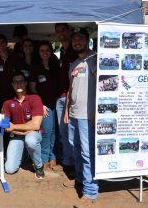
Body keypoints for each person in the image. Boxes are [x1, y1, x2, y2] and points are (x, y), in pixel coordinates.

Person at [63, 28, 98, 208]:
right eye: (74, 39)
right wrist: (67, 110)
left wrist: (96, 113)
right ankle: (79, 180)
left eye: (80, 38)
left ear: (87, 40)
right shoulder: (74, 63)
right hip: (75, 114)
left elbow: (103, 88)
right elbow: (70, 88)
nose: (77, 41)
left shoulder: (95, 60)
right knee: (76, 150)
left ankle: (90, 191)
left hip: (88, 116)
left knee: (87, 153)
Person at [2, 72, 45, 179]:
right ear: (12, 85)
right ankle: (25, 153)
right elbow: (6, 126)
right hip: (17, 136)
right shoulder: (7, 102)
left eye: (21, 81)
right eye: (15, 82)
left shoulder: (35, 98)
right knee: (9, 169)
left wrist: (14, 127)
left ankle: (39, 166)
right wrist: (22, 130)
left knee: (30, 140)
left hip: (33, 134)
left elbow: (35, 125)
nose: (18, 84)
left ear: (26, 83)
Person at [29, 40, 61, 171]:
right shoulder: (36, 68)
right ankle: (44, 159)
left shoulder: (56, 65)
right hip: (44, 105)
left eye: (47, 50)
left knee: (55, 132)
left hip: (56, 103)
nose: (45, 53)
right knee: (47, 132)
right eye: (42, 50)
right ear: (38, 52)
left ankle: (53, 157)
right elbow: (32, 88)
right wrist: (40, 104)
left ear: (51, 51)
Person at [54, 23, 78, 171]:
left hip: (71, 98)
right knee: (64, 132)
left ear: (69, 31)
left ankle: (76, 164)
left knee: (72, 132)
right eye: (58, 31)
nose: (60, 33)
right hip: (60, 98)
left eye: (63, 30)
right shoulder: (62, 51)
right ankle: (68, 161)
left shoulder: (75, 50)